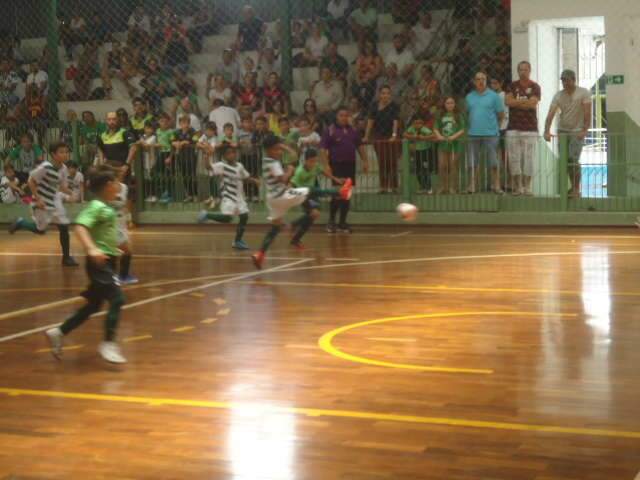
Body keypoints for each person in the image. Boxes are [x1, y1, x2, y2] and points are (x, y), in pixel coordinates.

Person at [44, 165, 127, 364]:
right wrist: (91, 249)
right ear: (108, 185)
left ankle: (59, 332)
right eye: (115, 182)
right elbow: (80, 227)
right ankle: (108, 344)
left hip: (108, 260)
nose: (118, 185)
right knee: (117, 299)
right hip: (98, 263)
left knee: (94, 305)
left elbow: (107, 232)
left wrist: (119, 246)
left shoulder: (107, 207)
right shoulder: (96, 206)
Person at [251, 134, 352, 269]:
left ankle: (260, 254)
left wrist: (285, 148)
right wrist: (290, 170)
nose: (280, 151)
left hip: (272, 199)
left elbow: (278, 150)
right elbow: (283, 179)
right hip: (283, 195)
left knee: (275, 227)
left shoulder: (265, 159)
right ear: (269, 150)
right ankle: (340, 192)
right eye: (277, 149)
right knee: (310, 190)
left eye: (280, 148)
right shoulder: (274, 163)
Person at [8, 142, 78, 267]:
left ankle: (66, 258)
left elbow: (61, 186)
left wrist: (70, 194)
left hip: (54, 201)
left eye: (66, 152)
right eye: (61, 152)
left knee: (64, 226)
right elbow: (31, 181)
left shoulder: (64, 169)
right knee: (40, 230)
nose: (65, 154)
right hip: (42, 202)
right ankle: (20, 222)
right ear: (53, 154)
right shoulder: (45, 167)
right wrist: (38, 198)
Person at [198, 143, 259, 250]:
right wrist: (206, 156)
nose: (232, 155)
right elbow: (208, 166)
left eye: (233, 152)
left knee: (244, 217)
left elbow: (245, 177)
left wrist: (255, 180)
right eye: (228, 153)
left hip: (239, 197)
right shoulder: (222, 166)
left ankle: (237, 241)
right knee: (227, 218)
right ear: (224, 156)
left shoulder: (240, 166)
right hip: (228, 197)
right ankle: (207, 215)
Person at [289, 148, 352, 248]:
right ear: (305, 160)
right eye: (311, 161)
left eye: (315, 161)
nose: (313, 163)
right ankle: (340, 192)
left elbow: (323, 172)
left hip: (312, 194)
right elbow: (292, 184)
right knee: (315, 195)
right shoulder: (299, 172)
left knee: (313, 215)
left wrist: (336, 179)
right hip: (303, 196)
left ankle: (295, 234)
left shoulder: (316, 166)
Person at [321, 106, 369, 233]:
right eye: (341, 115)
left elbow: (360, 146)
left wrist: (365, 161)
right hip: (336, 165)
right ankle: (331, 222)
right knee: (337, 194)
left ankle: (342, 222)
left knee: (346, 195)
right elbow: (322, 149)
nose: (344, 118)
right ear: (336, 117)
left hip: (350, 165)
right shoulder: (329, 130)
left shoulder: (353, 130)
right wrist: (326, 165)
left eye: (346, 115)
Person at [544, 69, 590, 198]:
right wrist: (546, 130)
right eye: (563, 80)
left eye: (567, 80)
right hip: (563, 132)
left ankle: (576, 189)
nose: (564, 83)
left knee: (573, 159)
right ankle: (571, 188)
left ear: (573, 80)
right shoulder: (558, 95)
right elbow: (551, 114)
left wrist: (584, 130)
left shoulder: (583, 93)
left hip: (577, 132)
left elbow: (587, 112)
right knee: (565, 161)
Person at [465, 71, 505, 194]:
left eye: (483, 79)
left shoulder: (494, 96)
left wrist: (495, 129)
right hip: (473, 134)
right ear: (474, 81)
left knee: (493, 162)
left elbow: (501, 115)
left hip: (491, 134)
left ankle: (496, 186)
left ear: (486, 80)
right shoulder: (469, 97)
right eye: (478, 79)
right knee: (473, 162)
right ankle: (472, 186)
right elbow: (467, 114)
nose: (480, 81)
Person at [505, 61, 541, 196]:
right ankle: (518, 186)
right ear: (517, 71)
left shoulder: (535, 86)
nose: (523, 72)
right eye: (520, 70)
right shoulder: (511, 86)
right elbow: (508, 102)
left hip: (530, 128)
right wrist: (524, 101)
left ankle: (527, 187)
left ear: (530, 70)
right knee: (514, 157)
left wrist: (516, 102)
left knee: (529, 158)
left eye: (525, 69)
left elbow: (532, 105)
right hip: (513, 127)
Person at [365, 85, 401, 194]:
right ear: (379, 94)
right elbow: (370, 121)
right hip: (378, 137)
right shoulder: (374, 105)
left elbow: (395, 121)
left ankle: (394, 187)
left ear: (390, 95)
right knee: (382, 162)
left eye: (387, 93)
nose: (385, 95)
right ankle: (383, 187)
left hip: (391, 137)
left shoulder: (394, 106)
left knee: (392, 162)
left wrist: (394, 135)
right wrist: (366, 136)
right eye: (383, 93)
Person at [434, 96, 465, 194]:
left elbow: (462, 129)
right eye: (447, 103)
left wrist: (454, 137)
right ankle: (443, 186)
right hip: (443, 144)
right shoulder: (440, 115)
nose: (450, 105)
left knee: (453, 165)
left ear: (455, 104)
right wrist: (439, 136)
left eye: (452, 103)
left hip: (455, 144)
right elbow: (435, 128)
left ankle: (452, 187)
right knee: (442, 165)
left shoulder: (458, 115)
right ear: (444, 104)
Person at [112, 167, 137, 285]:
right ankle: (120, 275)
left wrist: (129, 219)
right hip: (112, 223)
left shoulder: (124, 187)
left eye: (122, 172)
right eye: (119, 172)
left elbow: (126, 206)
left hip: (121, 223)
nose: (122, 174)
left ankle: (121, 275)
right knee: (126, 250)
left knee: (122, 250)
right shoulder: (108, 189)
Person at [404, 116, 438, 194]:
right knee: (418, 170)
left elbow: (433, 135)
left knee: (426, 169)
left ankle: (429, 187)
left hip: (426, 152)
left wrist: (424, 137)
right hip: (417, 152)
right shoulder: (412, 128)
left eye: (420, 123)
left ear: (422, 124)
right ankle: (422, 187)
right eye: (416, 123)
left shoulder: (424, 129)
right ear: (413, 123)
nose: (418, 125)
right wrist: (413, 137)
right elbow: (405, 134)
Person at [172, 115, 199, 202]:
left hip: (191, 157)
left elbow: (194, 140)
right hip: (181, 157)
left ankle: (195, 195)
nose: (185, 124)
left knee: (192, 176)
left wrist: (183, 142)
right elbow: (171, 140)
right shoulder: (177, 132)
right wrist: (175, 143)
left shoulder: (193, 131)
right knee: (184, 176)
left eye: (187, 122)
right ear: (180, 123)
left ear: (189, 123)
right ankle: (189, 195)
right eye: (183, 122)